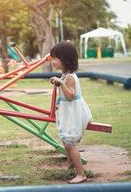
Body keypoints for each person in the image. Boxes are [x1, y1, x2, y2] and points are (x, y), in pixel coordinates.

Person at [49, 41, 92, 184]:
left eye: (55, 58)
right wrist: (58, 82)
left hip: (73, 113)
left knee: (69, 144)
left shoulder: (69, 77)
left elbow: (71, 95)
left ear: (65, 59)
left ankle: (81, 174)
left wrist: (61, 83)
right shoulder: (65, 75)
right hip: (69, 112)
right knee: (65, 140)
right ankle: (71, 164)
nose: (53, 61)